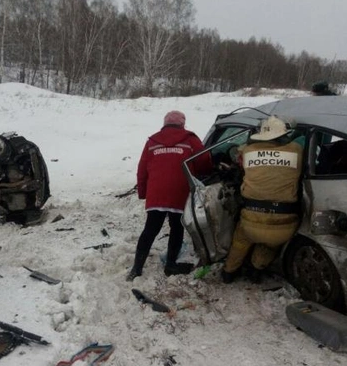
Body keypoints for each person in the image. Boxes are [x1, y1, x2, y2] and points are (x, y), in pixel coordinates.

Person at [127, 110, 212, 282]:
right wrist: (205, 173)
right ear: (182, 123)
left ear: (165, 123)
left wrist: (143, 192)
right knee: (177, 227)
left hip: (156, 193)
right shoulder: (189, 139)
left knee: (150, 229)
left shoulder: (152, 141)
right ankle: (171, 265)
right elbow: (204, 160)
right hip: (179, 192)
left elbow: (142, 169)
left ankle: (136, 268)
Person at [220, 115, 304, 283]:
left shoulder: (249, 151)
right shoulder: (296, 150)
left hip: (252, 216)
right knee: (270, 243)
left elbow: (236, 154)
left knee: (241, 241)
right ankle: (256, 268)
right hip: (285, 222)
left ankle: (229, 272)